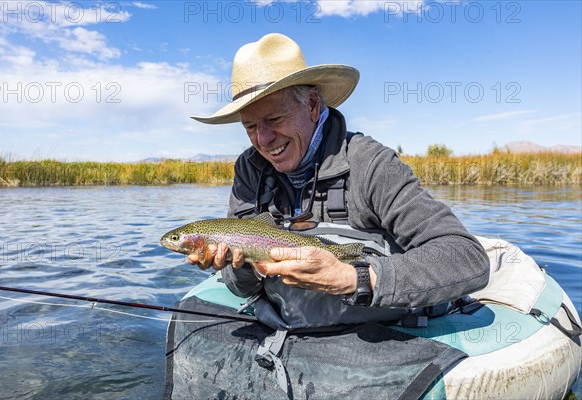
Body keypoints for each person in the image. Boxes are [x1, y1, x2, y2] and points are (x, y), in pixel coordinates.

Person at [187, 33, 489, 327]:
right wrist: (240, 266)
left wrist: (352, 278)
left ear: (313, 105)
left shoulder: (371, 163)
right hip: (291, 337)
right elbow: (241, 289)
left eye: (275, 120)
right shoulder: (250, 170)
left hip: (379, 340)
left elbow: (467, 258)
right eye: (250, 126)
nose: (263, 140)